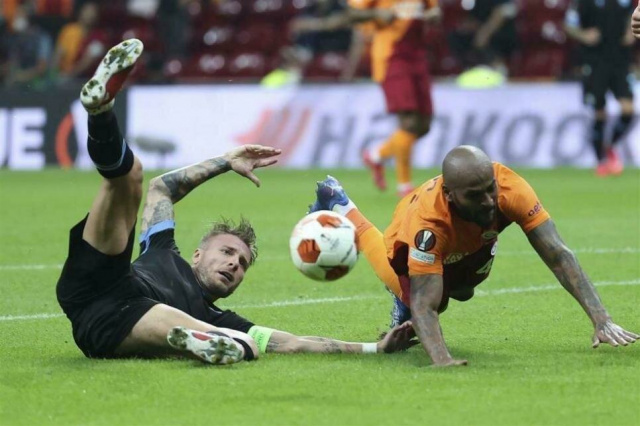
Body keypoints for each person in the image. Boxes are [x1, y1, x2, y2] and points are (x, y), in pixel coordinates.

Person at [56, 38, 416, 366]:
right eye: (228, 252)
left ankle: (197, 341)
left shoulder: (219, 316)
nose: (234, 264)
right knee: (129, 176)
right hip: (100, 282)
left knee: (247, 342)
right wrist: (225, 161)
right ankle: (101, 110)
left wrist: (374, 349)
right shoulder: (160, 248)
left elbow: (293, 343)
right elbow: (162, 189)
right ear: (197, 254)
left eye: (242, 264)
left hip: (120, 322)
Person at [308, 146, 639, 367]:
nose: (489, 200)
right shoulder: (428, 224)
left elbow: (559, 255)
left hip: (469, 241)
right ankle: (341, 205)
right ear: (450, 195)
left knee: (464, 288)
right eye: (475, 195)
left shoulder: (509, 188)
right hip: (407, 239)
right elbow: (425, 305)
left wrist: (602, 319)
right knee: (432, 301)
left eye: (490, 188)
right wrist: (443, 361)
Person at [348, 0, 441, 198]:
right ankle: (404, 186)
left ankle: (377, 155)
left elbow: (434, 11)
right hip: (391, 57)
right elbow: (352, 14)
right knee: (409, 122)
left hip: (418, 57)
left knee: (424, 125)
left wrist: (434, 15)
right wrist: (376, 14)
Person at [564, 0, 636, 177]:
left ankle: (610, 146)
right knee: (599, 113)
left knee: (628, 109)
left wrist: (631, 31)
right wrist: (583, 35)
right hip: (594, 62)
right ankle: (601, 160)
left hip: (620, 61)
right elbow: (568, 24)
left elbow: (634, 16)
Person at [4, 5, 52, 89]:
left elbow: (41, 68)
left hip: (39, 86)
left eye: (19, 16)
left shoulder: (42, 38)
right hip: (18, 84)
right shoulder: (17, 38)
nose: (15, 19)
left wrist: (21, 77)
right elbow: (13, 62)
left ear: (29, 19)